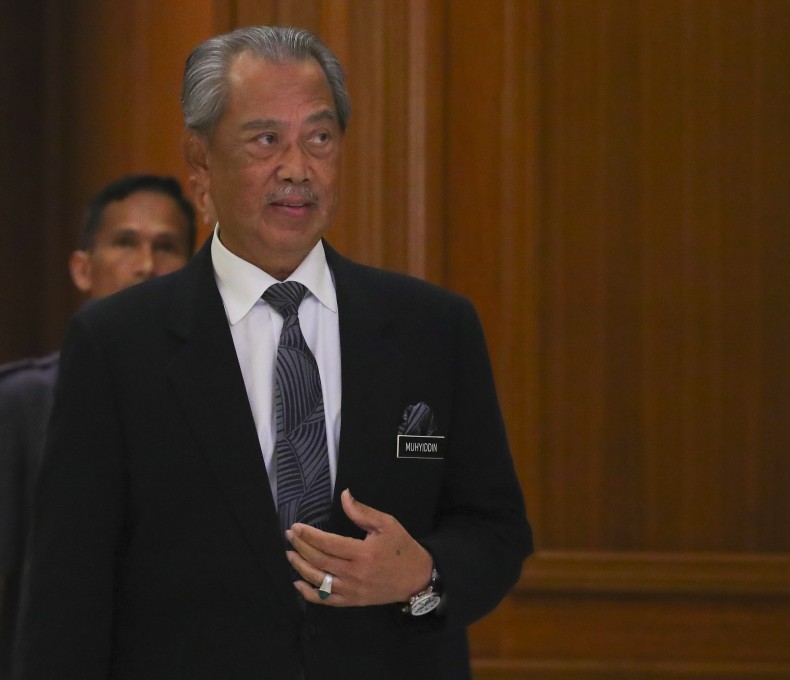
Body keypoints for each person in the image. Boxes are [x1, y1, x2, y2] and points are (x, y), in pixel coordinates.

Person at [14, 25, 532, 680]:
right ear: (200, 161)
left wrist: (424, 576)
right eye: (266, 140)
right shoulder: (117, 344)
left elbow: (496, 528)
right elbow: (68, 588)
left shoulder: (435, 327)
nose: (298, 168)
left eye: (319, 139)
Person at [0, 174, 197, 680]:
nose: (146, 265)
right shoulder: (21, 405)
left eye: (167, 247)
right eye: (125, 243)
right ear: (83, 268)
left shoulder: (218, 406)